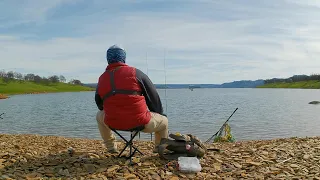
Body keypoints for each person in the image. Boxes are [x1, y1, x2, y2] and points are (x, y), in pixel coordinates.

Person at [95, 45, 169, 153]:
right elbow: (154, 98)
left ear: (108, 59)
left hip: (113, 123)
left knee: (99, 115)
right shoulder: (136, 73)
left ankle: (111, 147)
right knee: (164, 122)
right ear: (123, 58)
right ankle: (159, 149)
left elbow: (99, 104)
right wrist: (159, 113)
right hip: (141, 123)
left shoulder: (102, 78)